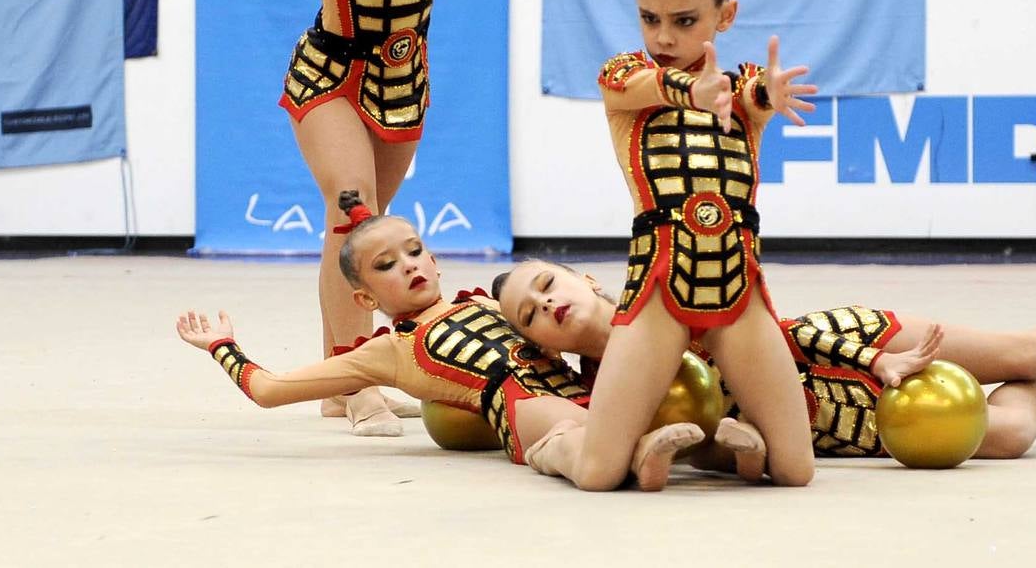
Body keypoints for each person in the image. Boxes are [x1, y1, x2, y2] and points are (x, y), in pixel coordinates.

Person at [238, 0, 529, 435]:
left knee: (358, 240)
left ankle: (342, 381)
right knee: (353, 215)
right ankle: (356, 374)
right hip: (331, 73)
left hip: (404, 79)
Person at [518, 0, 821, 491]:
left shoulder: (743, 87)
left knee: (798, 470)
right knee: (598, 473)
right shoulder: (625, 79)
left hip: (739, 296)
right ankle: (554, 448)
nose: (663, 36)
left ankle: (727, 452)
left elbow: (750, 97)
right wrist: (691, 90)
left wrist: (765, 97)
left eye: (684, 22)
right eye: (650, 19)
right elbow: (651, 87)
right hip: (657, 295)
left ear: (724, 17)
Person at [174, 196, 704, 488]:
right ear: (364, 301)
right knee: (571, 431)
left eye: (413, 251)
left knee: (673, 407)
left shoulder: (493, 303)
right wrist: (224, 346)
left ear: (434, 259)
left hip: (578, 385)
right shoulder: (389, 350)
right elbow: (269, 389)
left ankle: (735, 451)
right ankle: (634, 459)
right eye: (385, 266)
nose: (407, 266)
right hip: (521, 407)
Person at [495, 261, 1036, 462]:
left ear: (582, 278)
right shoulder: (597, 391)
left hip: (842, 343)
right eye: (531, 314)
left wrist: (870, 357)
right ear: (541, 343)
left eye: (546, 283)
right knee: (1010, 436)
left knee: (1027, 347)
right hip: (829, 423)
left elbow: (772, 332)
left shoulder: (656, 293)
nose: (546, 303)